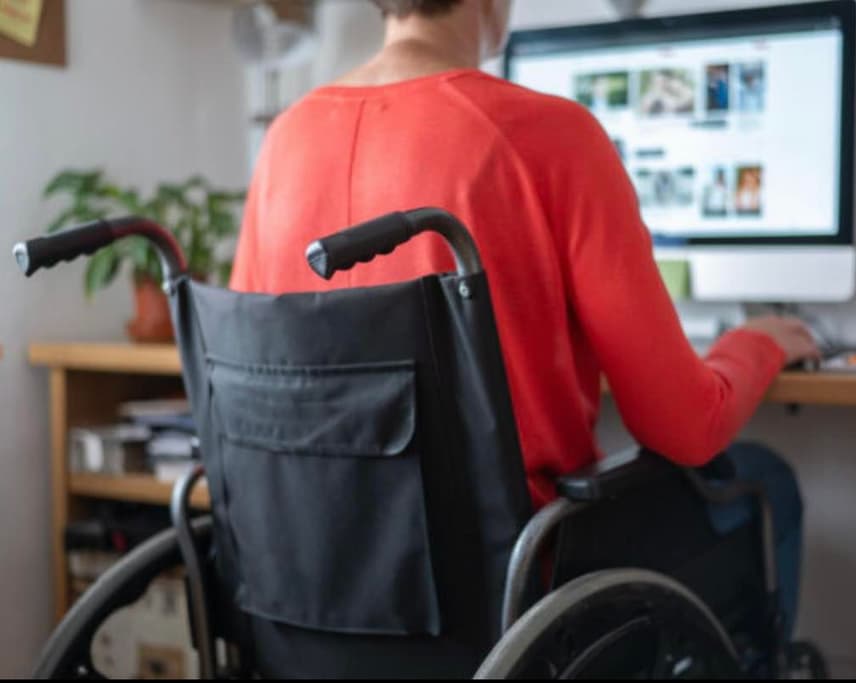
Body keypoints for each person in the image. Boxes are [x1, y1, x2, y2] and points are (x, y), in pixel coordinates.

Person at [230, 0, 819, 637]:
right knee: (765, 479)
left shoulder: (285, 139)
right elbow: (684, 428)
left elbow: (249, 384)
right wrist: (756, 344)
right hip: (511, 589)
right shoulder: (548, 133)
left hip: (315, 584)